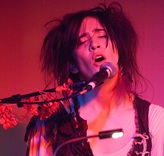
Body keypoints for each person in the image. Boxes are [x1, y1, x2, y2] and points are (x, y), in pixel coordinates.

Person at [24, 2, 164, 156]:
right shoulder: (48, 126)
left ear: (118, 48)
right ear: (72, 65)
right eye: (82, 41)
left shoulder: (155, 120)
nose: (94, 44)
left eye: (102, 35)